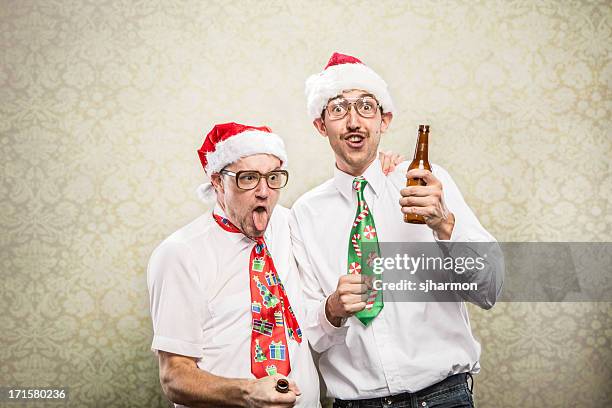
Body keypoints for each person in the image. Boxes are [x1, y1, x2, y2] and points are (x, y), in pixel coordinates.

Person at [290, 52, 504, 407]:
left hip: (443, 396)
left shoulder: (426, 183)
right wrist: (331, 309)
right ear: (320, 124)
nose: (354, 121)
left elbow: (489, 290)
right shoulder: (304, 214)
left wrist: (444, 224)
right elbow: (311, 334)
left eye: (366, 107)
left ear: (384, 120)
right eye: (339, 109)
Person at [147, 122, 320, 407]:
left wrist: (386, 172)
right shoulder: (179, 254)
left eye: (273, 177)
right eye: (249, 178)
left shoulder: (291, 225)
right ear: (217, 181)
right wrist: (247, 392)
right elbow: (174, 377)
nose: (264, 191)